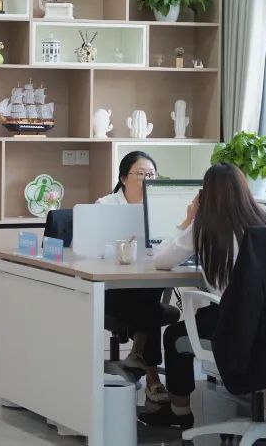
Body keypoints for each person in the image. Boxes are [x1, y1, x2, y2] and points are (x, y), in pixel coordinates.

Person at [139, 163, 266, 429]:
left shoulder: (206, 227)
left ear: (207, 195)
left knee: (174, 335)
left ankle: (180, 413)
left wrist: (188, 220)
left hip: (234, 323)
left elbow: (161, 259)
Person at [96, 151, 170, 404]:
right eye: (140, 174)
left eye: (151, 174)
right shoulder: (106, 206)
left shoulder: (160, 208)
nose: (146, 180)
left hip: (145, 285)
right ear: (123, 178)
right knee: (150, 304)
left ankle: (139, 354)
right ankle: (151, 377)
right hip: (112, 291)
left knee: (150, 294)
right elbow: (95, 250)